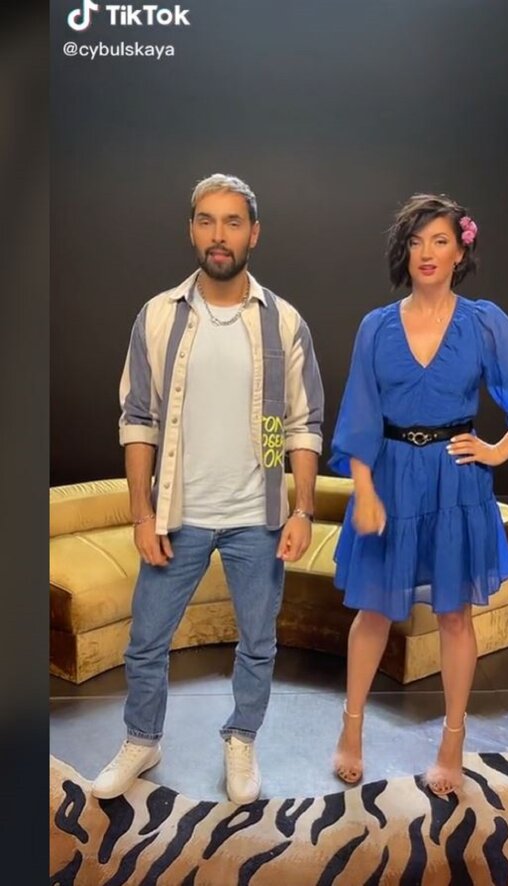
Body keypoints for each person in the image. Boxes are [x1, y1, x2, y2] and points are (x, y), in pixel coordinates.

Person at [92, 173, 324, 804]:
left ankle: (241, 739)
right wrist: (142, 514)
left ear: (254, 233)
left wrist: (300, 508)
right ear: (192, 230)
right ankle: (143, 739)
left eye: (232, 222)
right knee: (146, 642)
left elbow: (294, 424)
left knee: (258, 643)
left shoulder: (282, 322)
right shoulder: (159, 316)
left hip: (257, 517)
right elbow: (138, 419)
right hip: (179, 516)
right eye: (206, 220)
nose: (218, 235)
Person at [329, 193, 508, 794]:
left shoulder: (482, 322)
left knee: (455, 615)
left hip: (455, 480)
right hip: (387, 477)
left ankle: (452, 743)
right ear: (403, 253)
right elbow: (359, 414)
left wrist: (498, 450)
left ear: (461, 250)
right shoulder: (375, 326)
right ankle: (351, 731)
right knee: (373, 612)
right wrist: (365, 491)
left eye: (439, 240)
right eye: (415, 242)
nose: (427, 253)